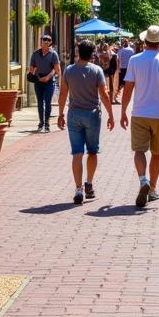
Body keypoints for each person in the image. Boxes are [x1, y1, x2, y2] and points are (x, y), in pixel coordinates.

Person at [120, 25, 159, 208]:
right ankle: (153, 188)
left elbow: (128, 88)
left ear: (144, 41)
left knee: (139, 150)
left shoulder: (134, 60)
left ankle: (142, 179)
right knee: (157, 153)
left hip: (139, 112)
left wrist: (123, 111)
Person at [57, 40, 114, 205]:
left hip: (74, 114)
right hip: (92, 115)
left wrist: (60, 114)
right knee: (92, 151)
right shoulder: (96, 71)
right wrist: (110, 114)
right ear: (92, 53)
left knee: (77, 153)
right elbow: (103, 95)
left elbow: (62, 94)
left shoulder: (69, 71)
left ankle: (78, 188)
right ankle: (89, 183)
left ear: (78, 52)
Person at [29, 33, 61, 132]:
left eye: (48, 40)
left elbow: (57, 69)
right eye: (44, 40)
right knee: (39, 102)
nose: (46, 42)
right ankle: (41, 122)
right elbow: (32, 68)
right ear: (41, 41)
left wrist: (47, 77)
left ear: (50, 42)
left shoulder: (53, 54)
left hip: (49, 81)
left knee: (47, 102)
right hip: (38, 81)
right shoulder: (35, 54)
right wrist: (35, 77)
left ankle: (47, 123)